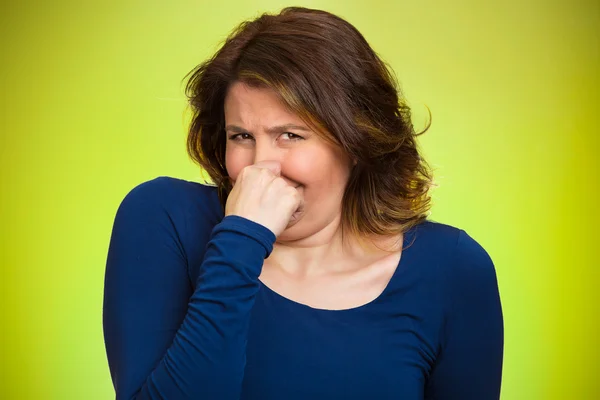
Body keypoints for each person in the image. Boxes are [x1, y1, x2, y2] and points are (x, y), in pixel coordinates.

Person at [102, 6, 503, 400]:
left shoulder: (453, 269)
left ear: (356, 142)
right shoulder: (165, 219)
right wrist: (241, 240)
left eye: (290, 136)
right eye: (241, 136)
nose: (260, 166)